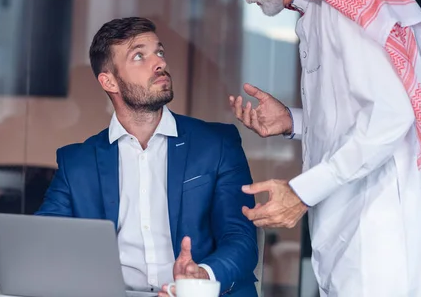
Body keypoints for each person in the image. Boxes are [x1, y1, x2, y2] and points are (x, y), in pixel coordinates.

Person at [214, 0, 421, 296]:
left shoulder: (340, 8)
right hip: (349, 234)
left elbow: (391, 117)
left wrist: (301, 192)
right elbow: (354, 114)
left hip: (376, 236)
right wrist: (293, 122)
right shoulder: (317, 12)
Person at [36, 17, 258, 296]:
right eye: (139, 56)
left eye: (160, 52)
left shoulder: (217, 144)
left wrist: (203, 276)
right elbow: (43, 240)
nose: (160, 63)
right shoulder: (77, 163)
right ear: (109, 81)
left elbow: (241, 239)